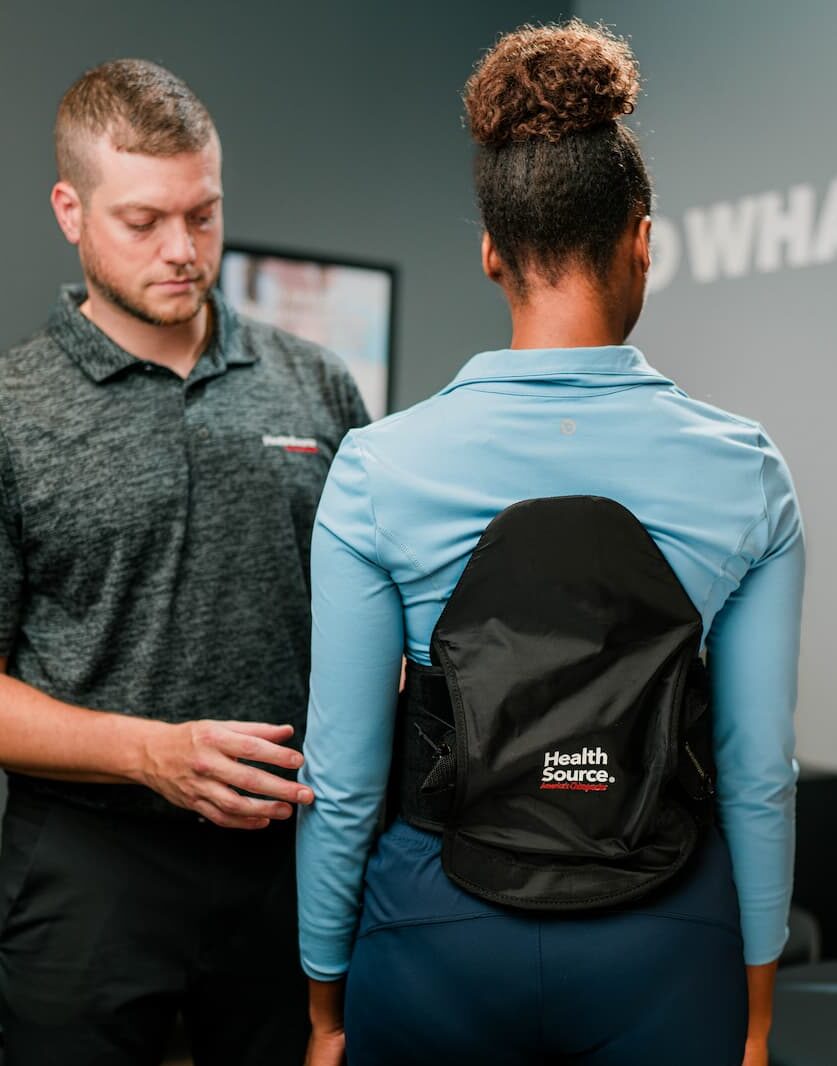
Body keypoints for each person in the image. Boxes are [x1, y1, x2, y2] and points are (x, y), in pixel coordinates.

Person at [296, 20, 804, 1066]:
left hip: (436, 930)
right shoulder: (747, 470)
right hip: (665, 934)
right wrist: (754, 1012)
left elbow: (343, 774)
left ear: (491, 252)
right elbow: (758, 772)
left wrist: (324, 1005)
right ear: (643, 240)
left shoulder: (378, 467)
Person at [0, 59, 367, 1065]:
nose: (182, 249)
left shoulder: (317, 386)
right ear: (70, 210)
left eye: (202, 215)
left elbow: (383, 627)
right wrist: (151, 753)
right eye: (144, 221)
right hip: (86, 867)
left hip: (289, 863)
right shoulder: (12, 412)